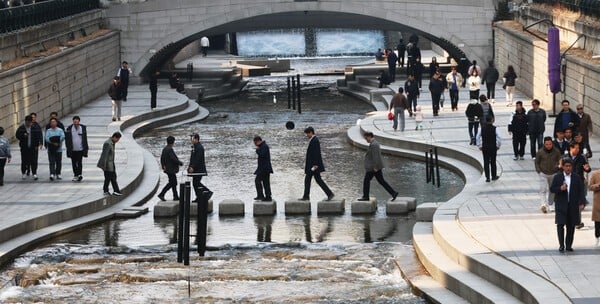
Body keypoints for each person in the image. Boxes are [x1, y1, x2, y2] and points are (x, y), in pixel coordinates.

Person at [550, 158, 586, 252]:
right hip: (561, 205)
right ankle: (561, 245)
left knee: (571, 226)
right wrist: (560, 188)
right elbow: (552, 189)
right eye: (566, 166)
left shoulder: (576, 177)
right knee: (560, 224)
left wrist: (582, 202)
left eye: (570, 166)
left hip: (572, 205)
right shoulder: (558, 177)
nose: (568, 168)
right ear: (563, 167)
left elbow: (581, 191)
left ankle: (569, 245)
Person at [358, 132, 398, 201]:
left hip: (373, 168)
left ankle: (366, 196)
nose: (366, 140)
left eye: (366, 138)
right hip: (375, 167)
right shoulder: (374, 143)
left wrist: (375, 167)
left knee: (366, 180)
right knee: (381, 181)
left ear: (370, 136)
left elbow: (376, 156)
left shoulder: (374, 145)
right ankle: (393, 193)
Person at [300, 127, 334, 201]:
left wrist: (315, 165)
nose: (307, 135)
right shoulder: (314, 140)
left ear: (311, 132)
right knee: (318, 180)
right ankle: (329, 194)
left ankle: (306, 196)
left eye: (307, 134)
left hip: (313, 166)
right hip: (314, 165)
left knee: (308, 179)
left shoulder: (314, 141)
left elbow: (316, 154)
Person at [537, 137, 562, 213]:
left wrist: (559, 166)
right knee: (543, 189)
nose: (548, 146)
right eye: (546, 144)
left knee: (552, 189)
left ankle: (550, 204)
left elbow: (560, 158)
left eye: (550, 144)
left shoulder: (556, 151)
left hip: (553, 173)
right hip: (543, 173)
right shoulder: (540, 152)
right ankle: (543, 204)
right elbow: (537, 162)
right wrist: (539, 171)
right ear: (544, 144)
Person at [15, 115, 43, 180]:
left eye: (30, 122)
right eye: (28, 122)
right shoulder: (21, 128)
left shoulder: (34, 128)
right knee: (24, 160)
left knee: (34, 160)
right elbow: (17, 135)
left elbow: (37, 137)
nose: (29, 123)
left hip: (33, 148)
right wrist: (23, 135)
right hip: (24, 148)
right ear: (25, 121)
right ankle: (23, 173)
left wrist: (37, 145)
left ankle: (34, 173)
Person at [157, 136, 183, 201]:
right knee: (172, 183)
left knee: (173, 182)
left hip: (167, 169)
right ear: (172, 142)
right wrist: (180, 163)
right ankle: (162, 194)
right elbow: (173, 159)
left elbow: (162, 158)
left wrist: (163, 166)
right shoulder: (170, 149)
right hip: (170, 169)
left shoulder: (165, 149)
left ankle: (175, 196)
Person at [188, 133, 212, 202]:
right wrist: (189, 167)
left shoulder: (199, 147)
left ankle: (207, 192)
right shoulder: (194, 147)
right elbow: (192, 159)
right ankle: (199, 196)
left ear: (196, 139)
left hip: (199, 169)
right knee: (195, 183)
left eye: (192, 138)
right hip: (196, 169)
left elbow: (197, 159)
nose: (191, 140)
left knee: (196, 183)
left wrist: (192, 167)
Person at [97, 132, 122, 196]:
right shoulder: (108, 143)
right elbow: (104, 155)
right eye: (117, 139)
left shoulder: (112, 143)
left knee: (109, 178)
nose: (118, 141)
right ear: (114, 137)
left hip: (111, 163)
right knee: (111, 177)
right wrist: (103, 166)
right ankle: (115, 191)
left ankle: (107, 191)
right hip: (107, 164)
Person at [476, 117, 501, 182]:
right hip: (493, 147)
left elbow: (477, 137)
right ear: (492, 121)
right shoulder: (495, 128)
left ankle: (487, 177)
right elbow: (499, 137)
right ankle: (494, 176)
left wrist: (479, 145)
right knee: (493, 162)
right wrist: (498, 145)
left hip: (485, 147)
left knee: (486, 162)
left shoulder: (482, 129)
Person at [65, 116, 88, 182]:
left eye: (77, 122)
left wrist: (86, 148)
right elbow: (67, 139)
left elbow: (85, 139)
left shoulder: (82, 128)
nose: (75, 123)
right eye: (74, 122)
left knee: (80, 162)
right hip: (73, 149)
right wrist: (68, 147)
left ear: (79, 122)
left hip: (80, 149)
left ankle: (80, 174)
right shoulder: (69, 128)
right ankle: (75, 174)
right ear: (73, 122)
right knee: (74, 163)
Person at [253, 135, 273, 202]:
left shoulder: (264, 146)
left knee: (257, 181)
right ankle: (268, 196)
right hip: (265, 168)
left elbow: (262, 155)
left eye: (255, 143)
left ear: (258, 141)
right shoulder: (264, 146)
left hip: (264, 168)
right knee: (265, 182)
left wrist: (257, 151)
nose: (255, 145)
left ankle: (261, 195)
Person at [587, 169, 600, 246]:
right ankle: (597, 237)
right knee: (597, 223)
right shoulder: (595, 174)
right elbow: (590, 187)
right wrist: (598, 185)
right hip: (598, 202)